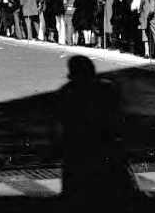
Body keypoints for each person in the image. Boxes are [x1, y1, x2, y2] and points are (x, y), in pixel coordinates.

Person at [59, 55, 138, 200]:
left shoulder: (68, 91)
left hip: (79, 148)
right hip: (105, 145)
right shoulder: (106, 88)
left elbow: (64, 123)